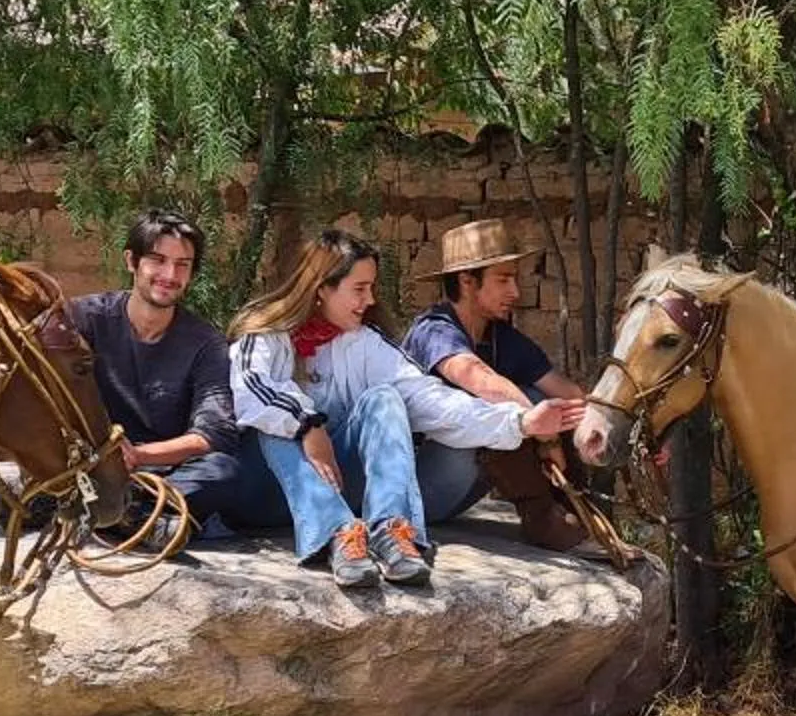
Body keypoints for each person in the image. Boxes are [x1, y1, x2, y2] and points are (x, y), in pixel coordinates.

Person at [228, 229, 583, 588]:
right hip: (262, 490)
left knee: (385, 399)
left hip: (338, 486)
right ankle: (333, 532)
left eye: (372, 288)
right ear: (322, 288)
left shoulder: (366, 342)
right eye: (359, 289)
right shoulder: (265, 336)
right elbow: (250, 389)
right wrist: (307, 425)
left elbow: (430, 399)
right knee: (274, 423)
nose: (369, 300)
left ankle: (390, 532)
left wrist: (520, 422)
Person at [55, 209, 282, 552]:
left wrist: (137, 455)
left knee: (224, 471)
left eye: (182, 265)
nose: (169, 275)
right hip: (87, 464)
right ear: (131, 261)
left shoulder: (205, 343)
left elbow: (214, 433)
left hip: (161, 475)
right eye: (158, 261)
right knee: (4, 494)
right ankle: (137, 519)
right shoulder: (83, 319)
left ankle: (127, 509)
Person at [401, 217, 595, 552]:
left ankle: (574, 508)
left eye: (515, 280)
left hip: (461, 488)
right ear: (466, 282)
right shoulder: (433, 329)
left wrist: (633, 435)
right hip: (418, 491)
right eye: (503, 279)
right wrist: (544, 436)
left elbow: (571, 395)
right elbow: (479, 379)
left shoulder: (502, 338)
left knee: (551, 405)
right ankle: (542, 519)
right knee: (504, 405)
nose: (515, 292)